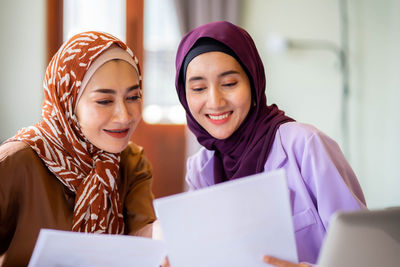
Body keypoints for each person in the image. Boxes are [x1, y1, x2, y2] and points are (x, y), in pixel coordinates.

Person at [174, 21, 366, 266]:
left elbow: (363, 250)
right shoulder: (200, 170)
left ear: (253, 83)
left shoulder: (305, 145)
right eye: (199, 88)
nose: (215, 101)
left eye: (230, 84)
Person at [0, 31, 156, 266]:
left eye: (133, 97)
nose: (124, 115)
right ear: (68, 103)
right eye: (104, 101)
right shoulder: (15, 162)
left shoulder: (131, 161)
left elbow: (143, 242)